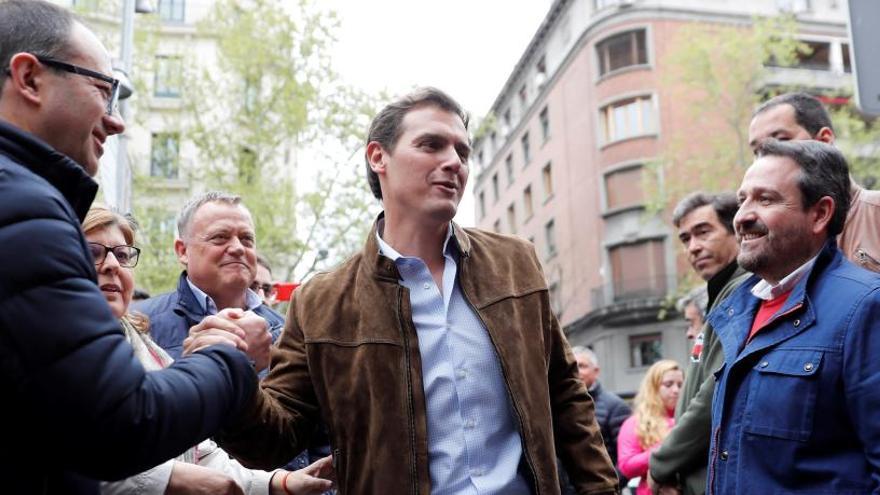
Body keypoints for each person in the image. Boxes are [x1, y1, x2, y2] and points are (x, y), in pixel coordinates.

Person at [211, 87, 619, 494]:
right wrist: (232, 371)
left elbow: (567, 398)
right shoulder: (321, 301)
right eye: (431, 145)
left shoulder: (516, 265)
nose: (453, 163)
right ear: (378, 157)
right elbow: (271, 441)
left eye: (463, 152)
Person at [0, 1, 265, 493]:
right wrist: (232, 358)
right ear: (29, 78)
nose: (117, 121)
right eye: (105, 92)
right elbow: (121, 421)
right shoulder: (22, 208)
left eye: (122, 254)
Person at [82, 205, 334, 495]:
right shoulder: (47, 342)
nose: (237, 248)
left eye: (123, 254)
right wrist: (171, 479)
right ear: (182, 251)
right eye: (93, 253)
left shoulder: (289, 328)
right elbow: (71, 446)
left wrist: (281, 482)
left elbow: (198, 451)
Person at [707, 139, 880, 493]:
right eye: (743, 200)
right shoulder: (736, 310)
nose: (743, 217)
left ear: (820, 214)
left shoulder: (866, 308)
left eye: (765, 199)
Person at [649, 192, 749, 495]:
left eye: (703, 232)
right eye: (685, 238)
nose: (693, 247)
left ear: (736, 231)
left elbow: (714, 393)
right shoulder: (721, 295)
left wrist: (661, 463)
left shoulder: (742, 292)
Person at [136, 192, 285, 365]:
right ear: (183, 251)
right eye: (220, 237)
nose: (238, 248)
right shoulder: (140, 326)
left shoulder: (287, 333)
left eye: (247, 239)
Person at [748, 92, 880, 272]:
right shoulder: (767, 239)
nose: (767, 158)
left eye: (781, 140)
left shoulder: (875, 214)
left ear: (824, 140)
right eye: (757, 151)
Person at [617, 360, 684, 495]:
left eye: (680, 385)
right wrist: (665, 448)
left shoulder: (688, 416)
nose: (676, 390)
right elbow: (626, 466)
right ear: (653, 388)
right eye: (668, 384)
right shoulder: (636, 422)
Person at [573, 347, 631, 474]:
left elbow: (625, 460)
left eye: (582, 366)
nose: (576, 371)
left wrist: (609, 487)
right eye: (571, 366)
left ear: (596, 371)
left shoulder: (616, 407)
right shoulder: (557, 404)